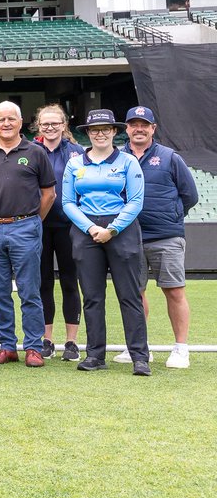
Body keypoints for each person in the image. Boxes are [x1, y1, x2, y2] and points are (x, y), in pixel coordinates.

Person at [62, 109, 149, 376]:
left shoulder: (127, 162)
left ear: (114, 132)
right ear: (87, 133)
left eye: (105, 129)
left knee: (130, 295)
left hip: (121, 230)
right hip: (85, 230)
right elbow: (67, 202)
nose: (100, 133)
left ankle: (139, 357)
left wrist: (111, 229)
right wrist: (90, 227)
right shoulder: (75, 163)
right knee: (92, 297)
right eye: (94, 129)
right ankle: (95, 355)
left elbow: (135, 200)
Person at [0, 101, 56, 367]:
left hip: (25, 227)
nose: (6, 124)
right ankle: (7, 346)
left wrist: (30, 221)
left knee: (30, 290)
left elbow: (49, 194)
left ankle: (33, 346)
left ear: (21, 122)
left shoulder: (36, 152)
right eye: (1, 119)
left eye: (11, 119)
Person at [122, 106, 198, 369]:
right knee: (135, 293)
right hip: (129, 237)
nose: (139, 129)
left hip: (166, 237)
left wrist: (172, 216)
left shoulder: (169, 157)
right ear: (127, 128)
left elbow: (190, 196)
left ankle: (181, 348)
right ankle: (140, 347)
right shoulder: (117, 158)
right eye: (134, 124)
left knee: (174, 291)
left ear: (153, 128)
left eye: (144, 124)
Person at [32, 104, 86, 361]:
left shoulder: (78, 153)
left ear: (64, 125)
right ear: (38, 126)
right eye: (45, 124)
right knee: (43, 283)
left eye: (55, 123)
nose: (50, 128)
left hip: (69, 227)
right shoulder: (30, 151)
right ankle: (47, 339)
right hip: (38, 227)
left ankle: (71, 342)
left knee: (69, 282)